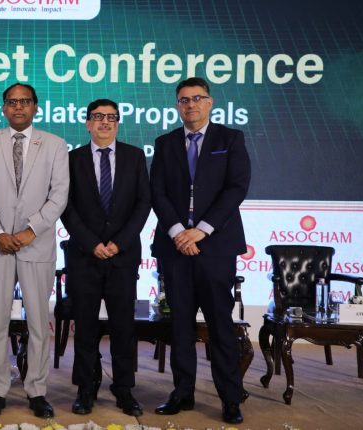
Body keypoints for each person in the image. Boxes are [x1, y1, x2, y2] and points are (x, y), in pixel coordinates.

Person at [149, 77, 250, 424]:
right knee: (179, 325)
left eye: (197, 98)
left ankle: (230, 398)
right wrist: (179, 232)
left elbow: (236, 188)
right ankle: (182, 393)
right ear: (177, 105)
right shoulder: (165, 143)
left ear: (209, 102)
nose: (190, 104)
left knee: (220, 325)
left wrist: (201, 230)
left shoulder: (230, 139)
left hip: (215, 246)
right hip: (175, 246)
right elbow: (158, 192)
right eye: (183, 100)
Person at [0, 83, 69, 418]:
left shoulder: (55, 144)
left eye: (24, 101)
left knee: (39, 322)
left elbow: (59, 194)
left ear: (35, 107)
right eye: (11, 102)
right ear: (3, 107)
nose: (18, 107)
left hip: (36, 243)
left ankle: (36, 389)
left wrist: (31, 230)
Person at [60, 99, 151, 416]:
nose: (105, 122)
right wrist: (92, 243)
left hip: (122, 257)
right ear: (88, 123)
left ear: (118, 123)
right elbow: (66, 206)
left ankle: (124, 389)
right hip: (84, 257)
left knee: (123, 327)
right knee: (85, 328)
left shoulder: (134, 156)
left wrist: (118, 243)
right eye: (98, 117)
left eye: (111, 117)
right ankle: (86, 389)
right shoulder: (72, 159)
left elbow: (143, 203)